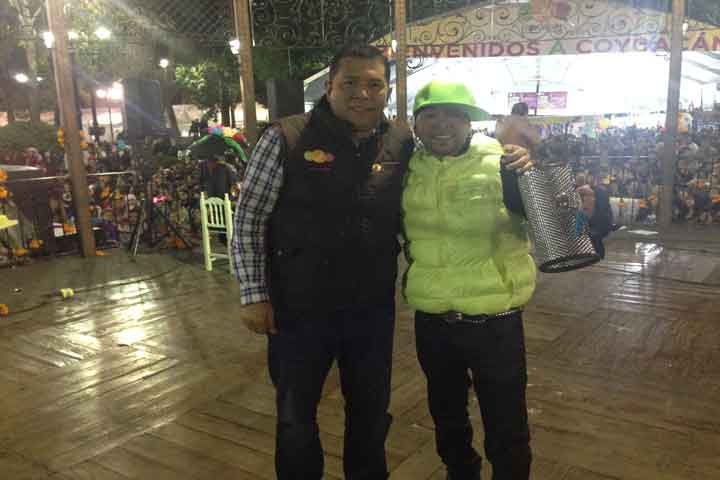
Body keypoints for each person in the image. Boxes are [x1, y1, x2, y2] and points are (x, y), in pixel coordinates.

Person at [401, 80, 611, 480]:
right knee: (447, 420)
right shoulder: (407, 169)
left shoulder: (506, 165)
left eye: (453, 115)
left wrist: (589, 210)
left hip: (495, 323)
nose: (441, 124)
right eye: (430, 115)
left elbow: (567, 235)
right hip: (432, 320)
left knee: (506, 426)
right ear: (416, 124)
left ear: (470, 122)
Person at [231, 44, 413, 480]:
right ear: (329, 87)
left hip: (371, 308)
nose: (362, 93)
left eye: (374, 84)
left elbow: (421, 209)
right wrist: (253, 295)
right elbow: (250, 218)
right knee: (295, 416)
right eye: (350, 82)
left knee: (371, 412)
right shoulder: (287, 136)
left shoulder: (401, 142)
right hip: (298, 307)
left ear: (387, 91)